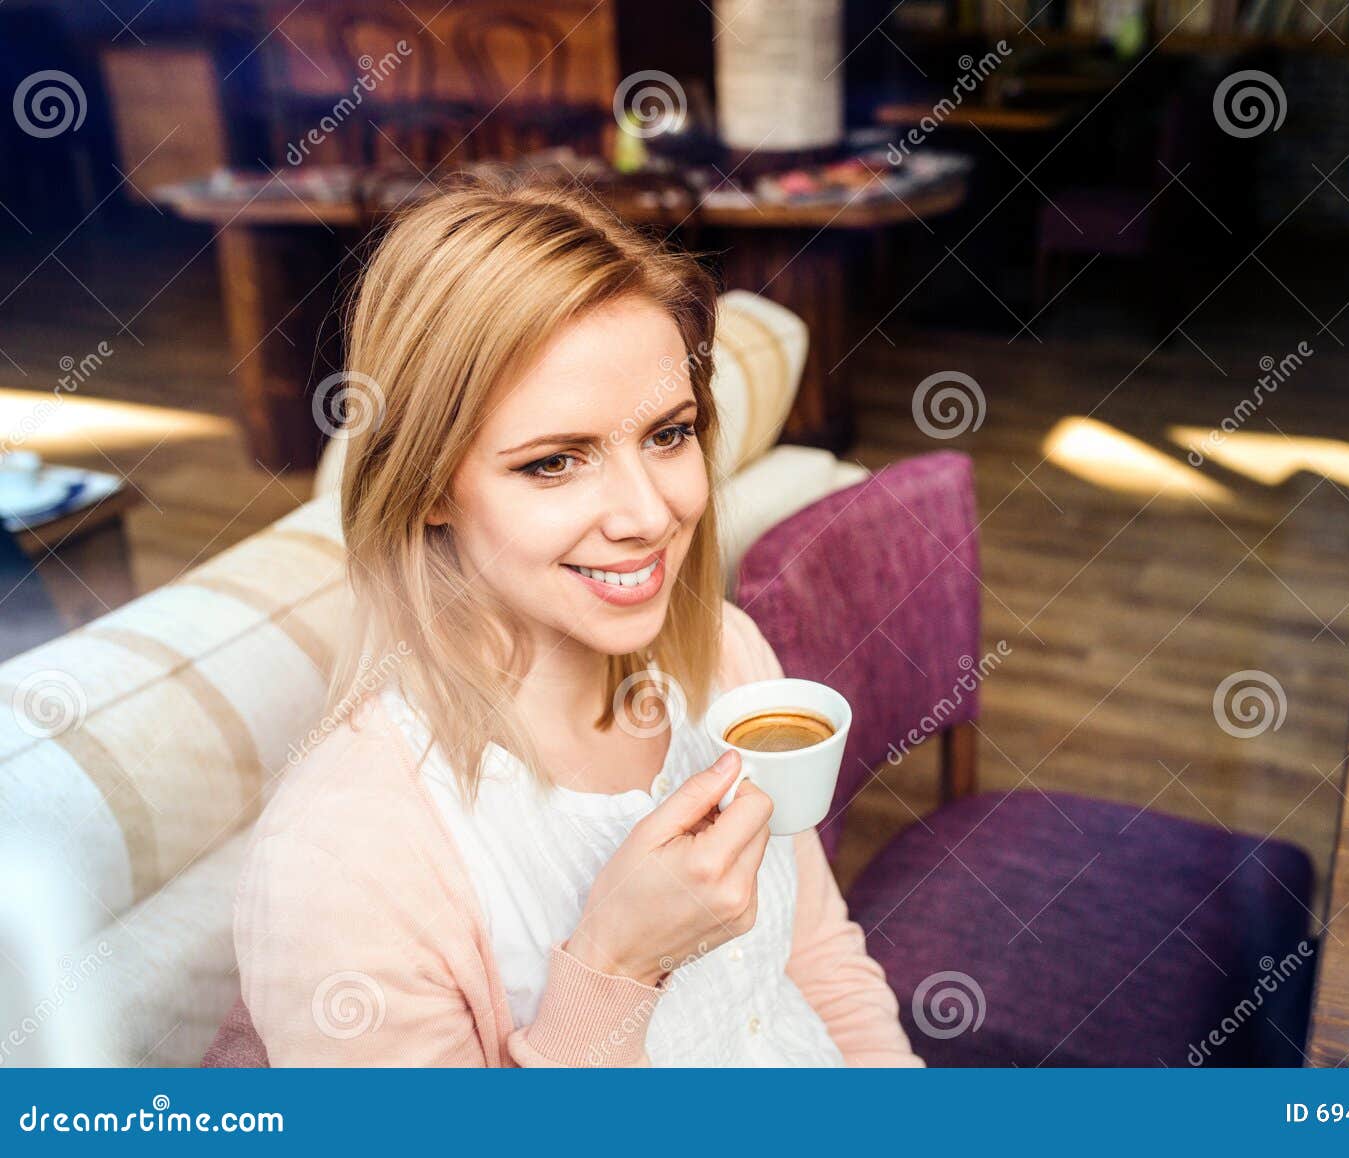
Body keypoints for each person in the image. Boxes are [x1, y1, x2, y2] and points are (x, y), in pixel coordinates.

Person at [234, 174, 920, 1067]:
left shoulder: (724, 655)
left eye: (668, 434)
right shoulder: (336, 861)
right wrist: (617, 964)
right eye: (555, 462)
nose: (647, 513)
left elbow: (818, 960)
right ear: (430, 487)